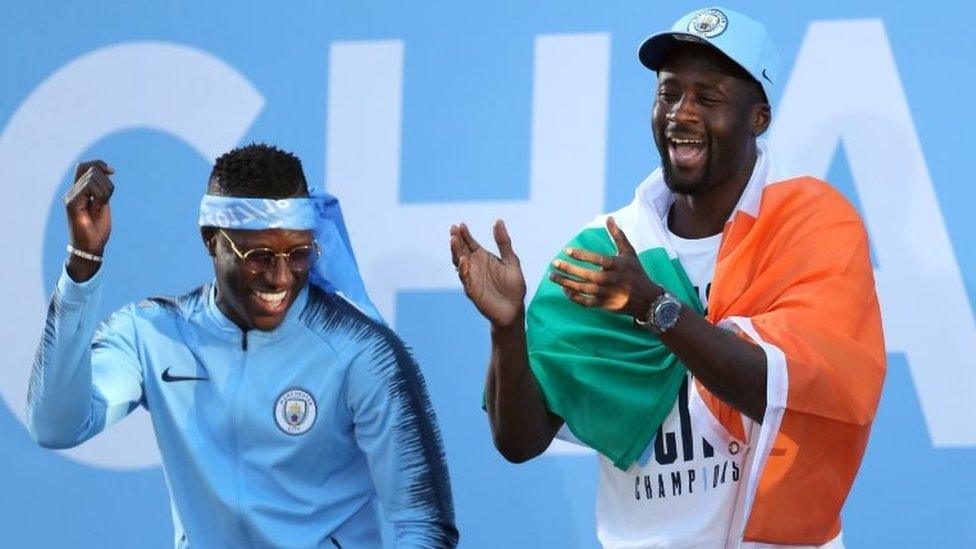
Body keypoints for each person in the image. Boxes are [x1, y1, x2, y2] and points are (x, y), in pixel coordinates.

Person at [451, 7, 884, 548]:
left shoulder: (810, 229)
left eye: (709, 98)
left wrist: (657, 309)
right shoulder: (603, 248)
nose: (681, 113)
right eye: (669, 93)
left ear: (759, 117)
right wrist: (508, 330)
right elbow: (519, 441)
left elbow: (786, 390)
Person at [29, 144, 458, 548]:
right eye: (259, 256)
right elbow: (55, 426)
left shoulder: (363, 351)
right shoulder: (153, 333)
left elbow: (423, 525)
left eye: (299, 253)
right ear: (210, 240)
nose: (280, 277)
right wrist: (82, 265)